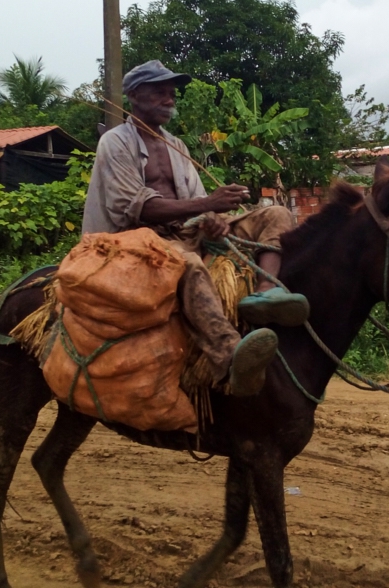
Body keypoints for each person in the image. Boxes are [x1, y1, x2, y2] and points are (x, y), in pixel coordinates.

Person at [82, 60, 310, 396]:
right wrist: (207, 206)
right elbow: (139, 207)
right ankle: (229, 355)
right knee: (187, 263)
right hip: (135, 239)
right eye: (160, 92)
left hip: (187, 230)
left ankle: (266, 293)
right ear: (133, 95)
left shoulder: (177, 145)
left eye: (171, 93)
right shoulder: (115, 143)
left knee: (275, 214)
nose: (170, 99)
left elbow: (198, 202)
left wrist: (213, 218)